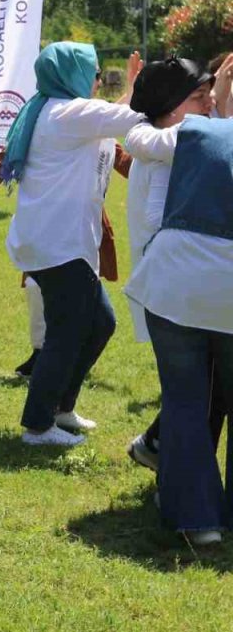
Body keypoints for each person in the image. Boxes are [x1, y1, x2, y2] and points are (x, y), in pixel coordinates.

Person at [2, 41, 146, 446]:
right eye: (95, 72)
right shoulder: (70, 114)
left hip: (53, 242)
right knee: (67, 333)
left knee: (100, 322)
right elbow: (130, 118)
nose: (99, 79)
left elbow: (107, 115)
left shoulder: (53, 108)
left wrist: (131, 86)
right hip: (59, 245)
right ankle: (38, 425)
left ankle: (60, 409)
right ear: (74, 75)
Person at [123, 110, 233, 547]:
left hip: (177, 279)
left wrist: (136, 103)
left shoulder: (196, 130)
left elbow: (137, 141)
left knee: (185, 400)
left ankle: (197, 520)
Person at [0, 145, 132, 377]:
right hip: (45, 222)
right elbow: (7, 159)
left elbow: (131, 164)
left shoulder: (97, 128)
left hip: (83, 228)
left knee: (95, 311)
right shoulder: (41, 125)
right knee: (36, 288)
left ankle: (64, 365)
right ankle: (42, 352)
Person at [120, 58, 223, 471]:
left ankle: (162, 452)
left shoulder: (171, 140)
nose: (210, 104)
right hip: (175, 294)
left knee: (206, 390)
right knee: (200, 391)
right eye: (199, 98)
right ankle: (173, 467)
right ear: (172, 106)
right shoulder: (163, 147)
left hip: (185, 291)